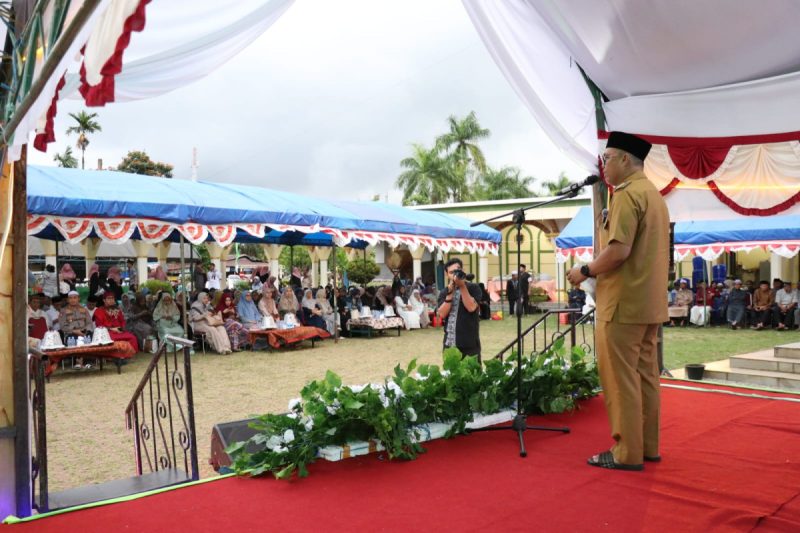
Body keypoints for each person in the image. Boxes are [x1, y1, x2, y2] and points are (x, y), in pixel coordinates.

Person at [566, 131, 668, 471]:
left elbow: (619, 251)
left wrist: (585, 270)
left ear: (625, 159)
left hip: (623, 303)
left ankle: (626, 452)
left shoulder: (626, 195)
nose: (604, 165)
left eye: (608, 158)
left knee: (621, 379)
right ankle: (647, 447)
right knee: (645, 377)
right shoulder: (652, 193)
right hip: (648, 302)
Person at [437, 258, 482, 359]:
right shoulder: (444, 292)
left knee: (472, 373)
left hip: (469, 344)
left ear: (463, 271)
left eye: (457, 271)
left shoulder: (474, 288)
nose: (454, 275)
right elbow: (442, 314)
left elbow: (471, 307)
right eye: (451, 272)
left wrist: (462, 286)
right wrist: (450, 293)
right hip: (450, 344)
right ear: (446, 274)